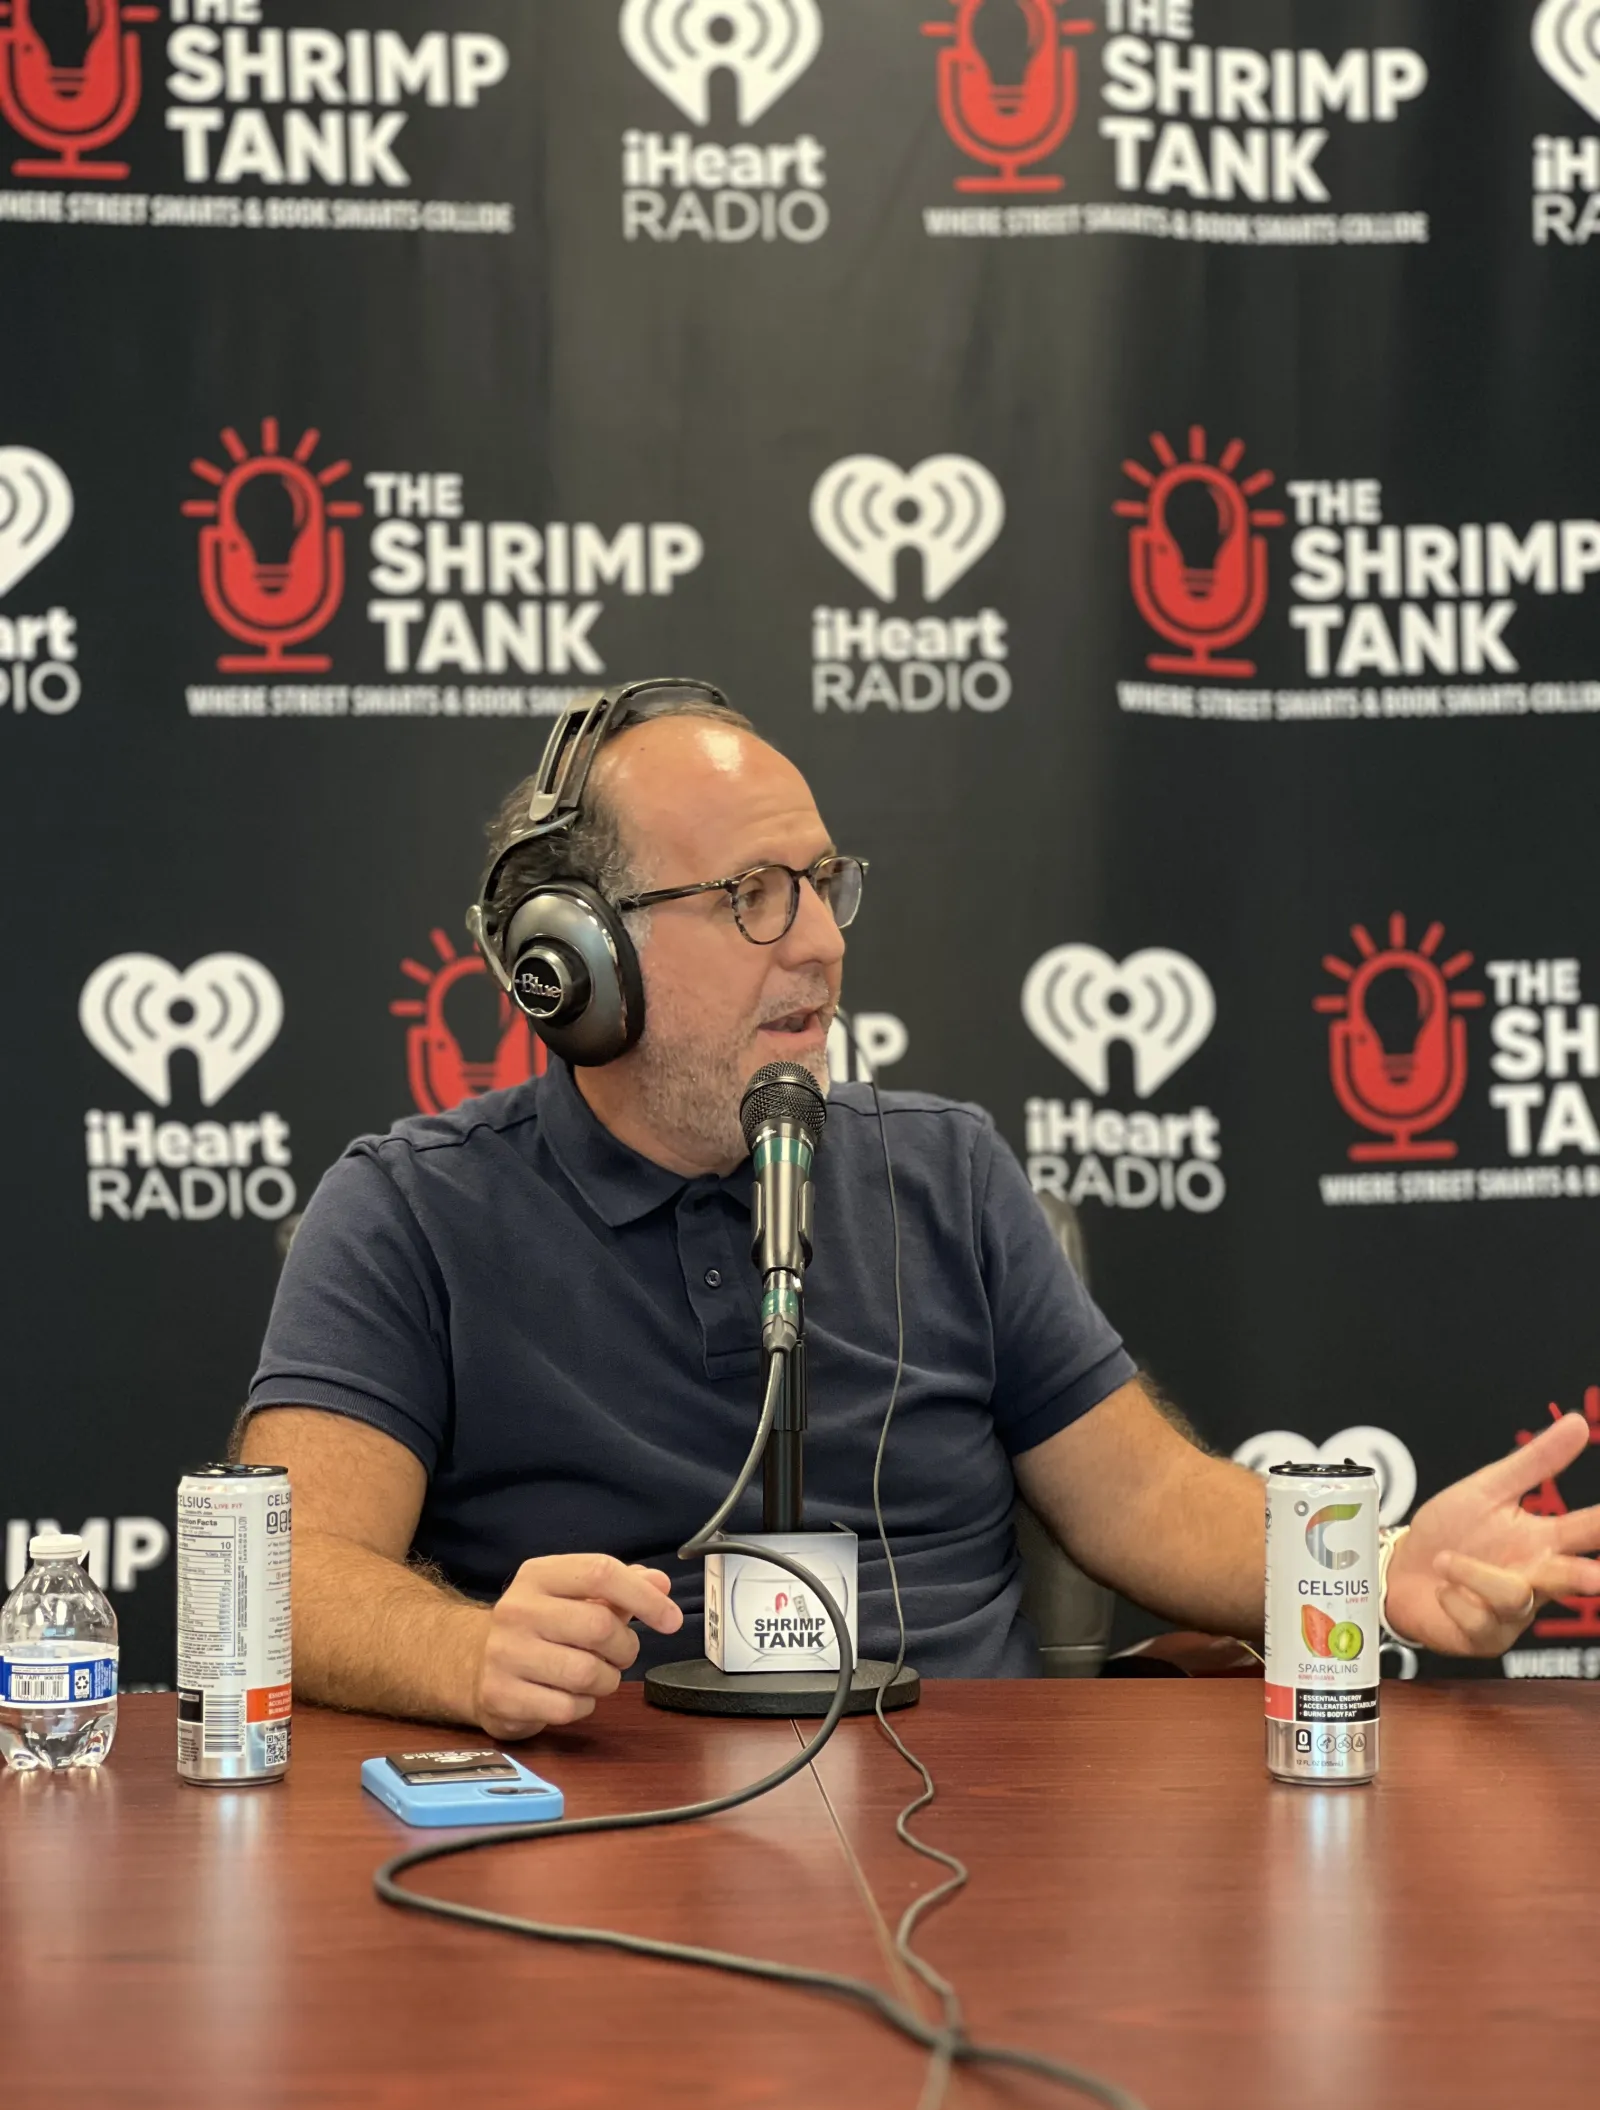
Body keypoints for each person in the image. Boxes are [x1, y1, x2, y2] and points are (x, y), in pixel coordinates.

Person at [238, 680, 1600, 1740]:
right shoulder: (411, 1215)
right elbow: (286, 1573)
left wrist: (1372, 1567)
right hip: (615, 1830)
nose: (824, 941)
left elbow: (1146, 1497)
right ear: (577, 958)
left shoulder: (944, 1174)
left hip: (981, 1828)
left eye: (824, 885)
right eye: (754, 897)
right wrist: (470, 1654)